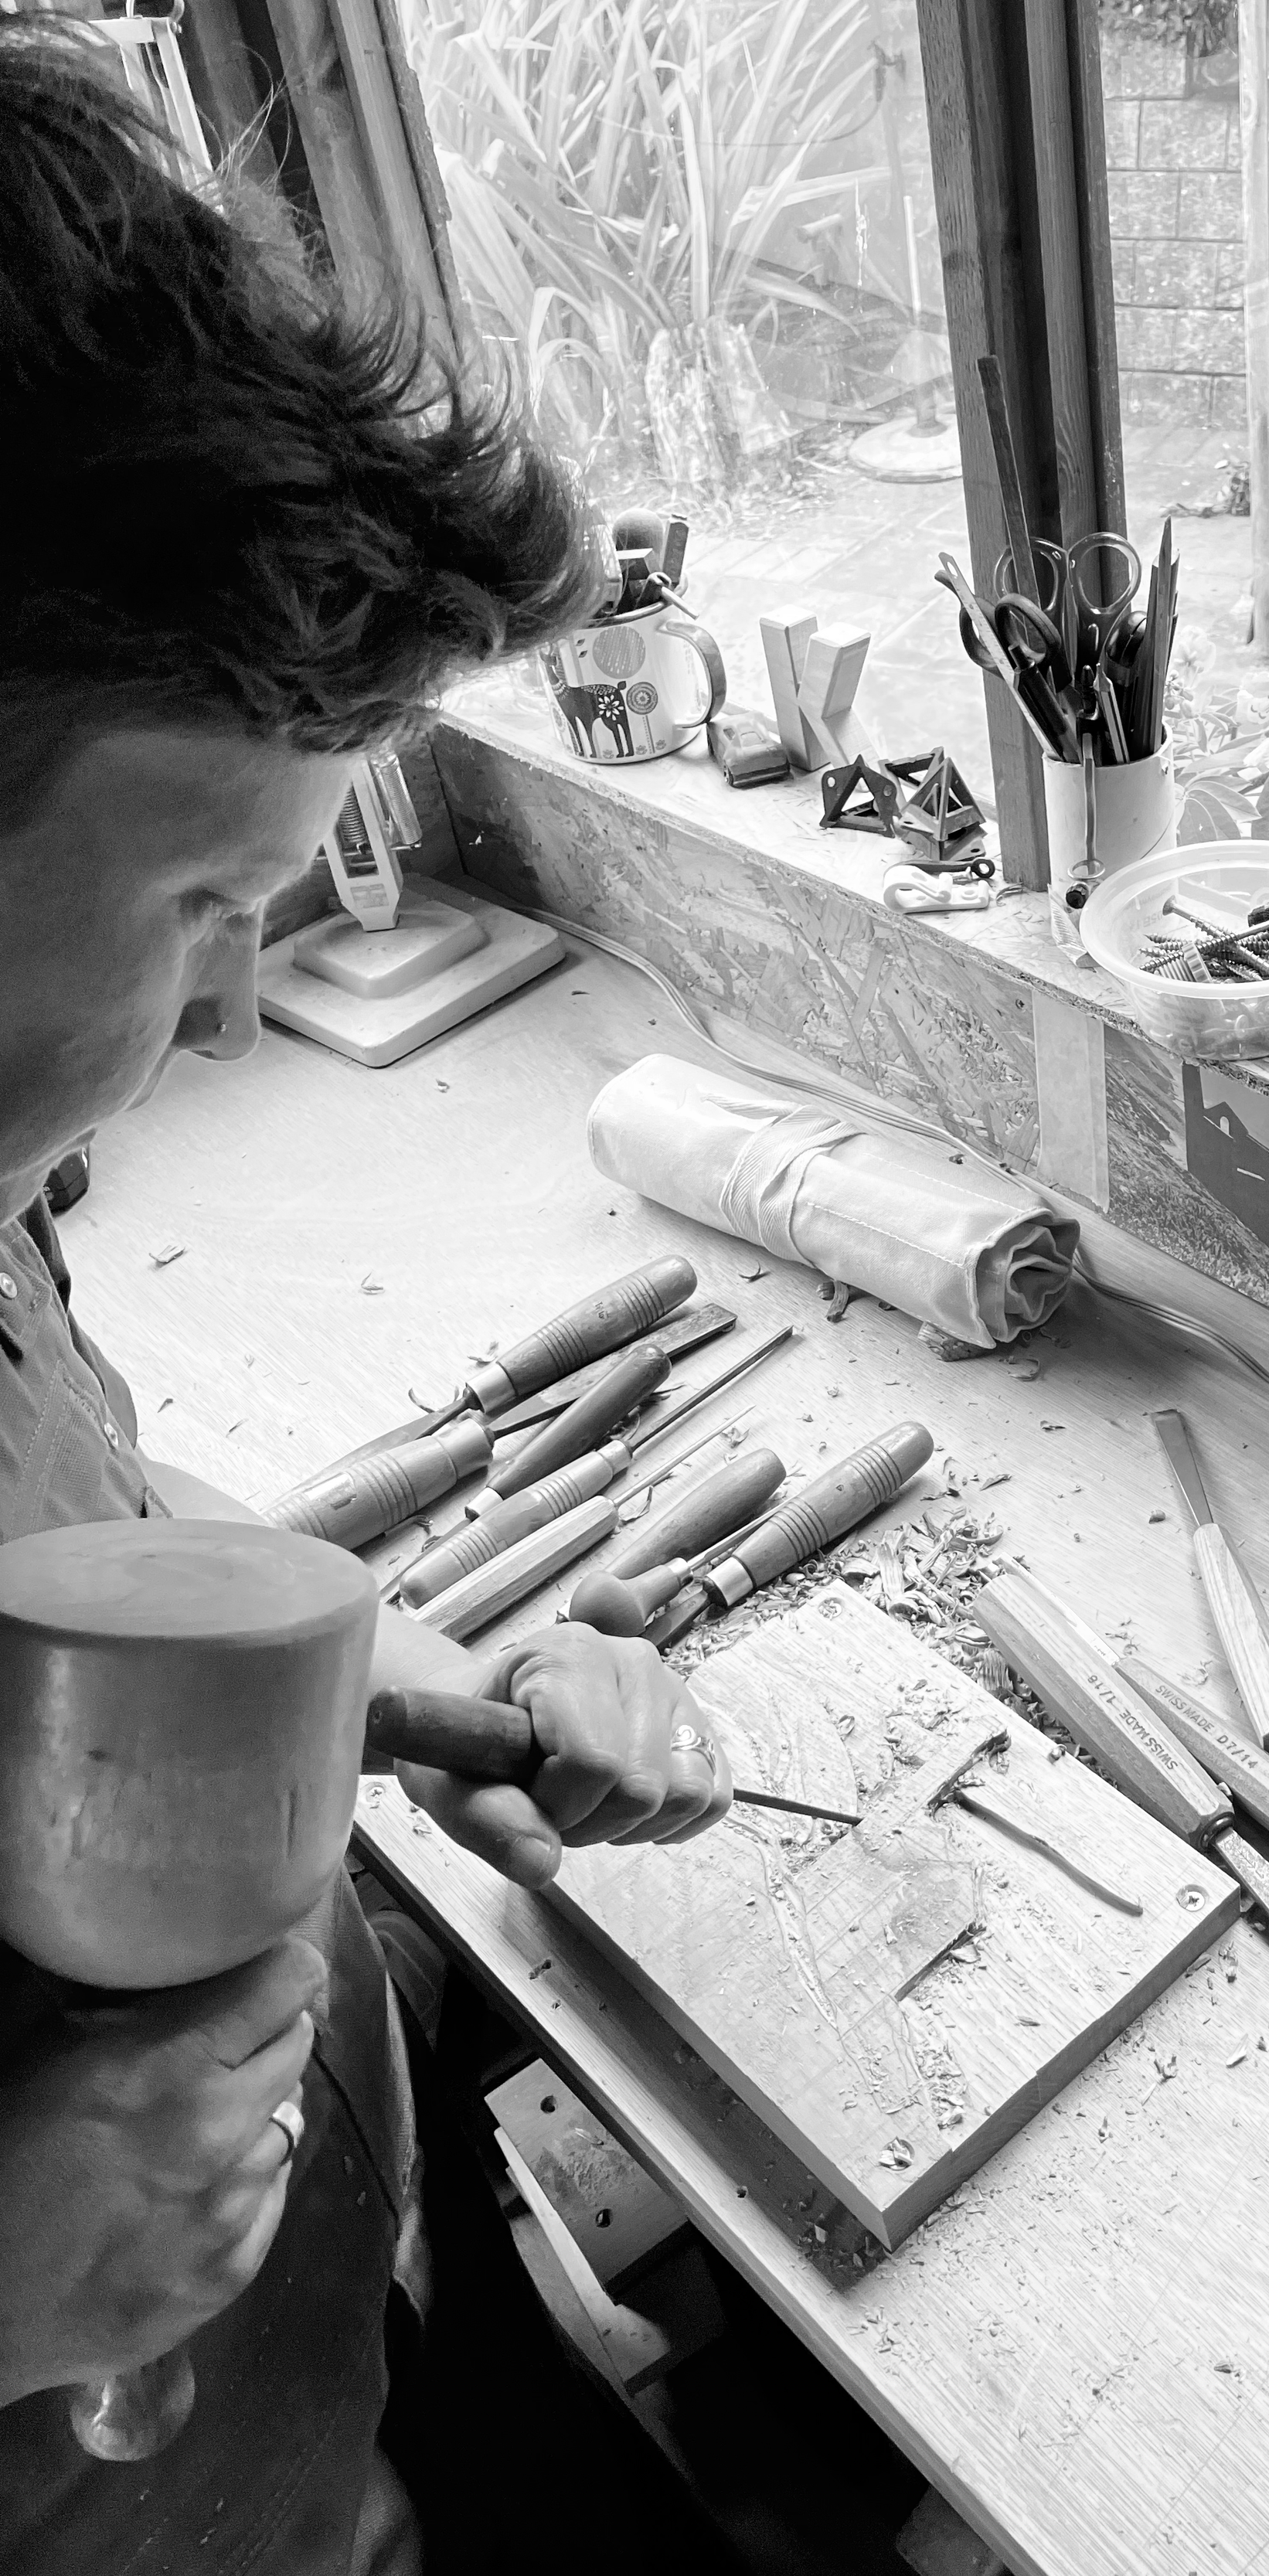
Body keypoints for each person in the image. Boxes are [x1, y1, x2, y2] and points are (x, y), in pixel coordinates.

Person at [0, 22, 742, 2571]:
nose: (232, 1018)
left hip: (293, 2429)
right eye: (208, 901)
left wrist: (407, 1679)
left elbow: (69, 1528)